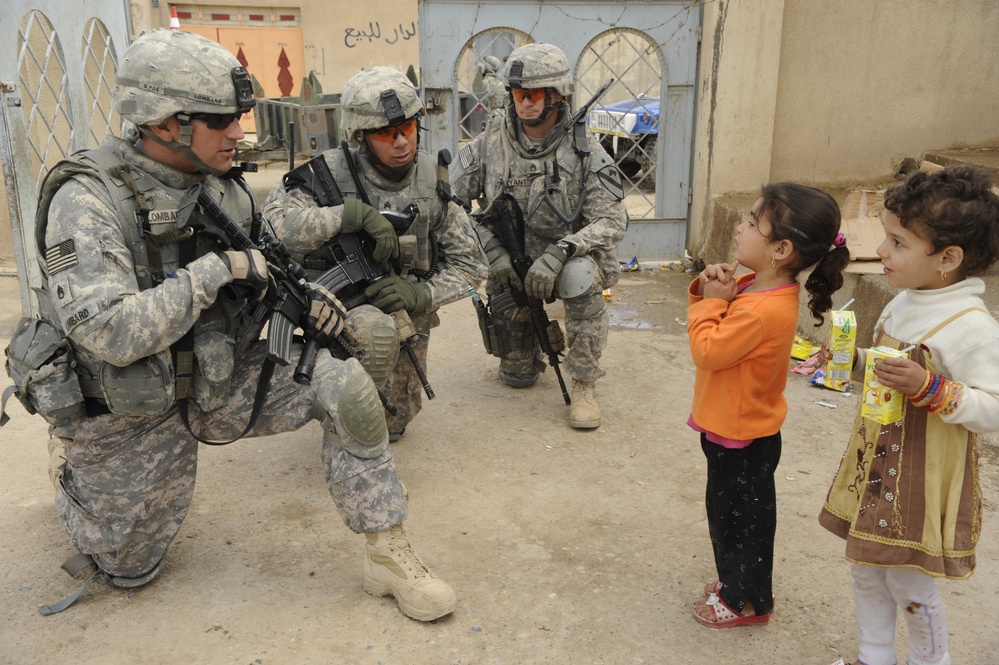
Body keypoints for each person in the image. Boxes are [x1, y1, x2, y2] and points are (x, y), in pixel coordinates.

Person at [4, 29, 455, 621]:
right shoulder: (88, 199)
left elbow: (266, 267)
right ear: (165, 123)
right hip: (129, 404)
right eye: (220, 120)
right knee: (130, 570)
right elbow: (109, 333)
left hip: (220, 373)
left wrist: (307, 297)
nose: (239, 132)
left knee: (347, 387)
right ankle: (72, 472)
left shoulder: (220, 185)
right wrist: (214, 272)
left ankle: (387, 552)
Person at [820, 165, 999, 665]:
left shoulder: (972, 328)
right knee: (865, 566)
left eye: (897, 242)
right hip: (878, 468)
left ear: (948, 258)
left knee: (907, 583)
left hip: (924, 479)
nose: (880, 251)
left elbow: (995, 409)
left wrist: (934, 389)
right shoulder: (904, 303)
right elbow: (884, 373)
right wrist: (849, 360)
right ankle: (873, 656)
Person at [263, 65, 487, 442]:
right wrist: (347, 216)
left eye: (408, 129)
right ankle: (336, 404)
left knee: (397, 418)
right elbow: (274, 226)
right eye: (386, 132)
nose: (401, 142)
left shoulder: (431, 181)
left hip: (404, 315)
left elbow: (471, 264)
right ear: (360, 136)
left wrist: (422, 294)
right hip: (338, 308)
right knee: (359, 398)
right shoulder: (326, 176)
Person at [686, 183, 849, 628]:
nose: (739, 227)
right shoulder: (762, 291)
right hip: (735, 430)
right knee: (730, 515)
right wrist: (713, 289)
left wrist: (708, 305)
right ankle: (736, 585)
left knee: (742, 524)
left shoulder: (761, 311)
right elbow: (727, 312)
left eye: (752, 221)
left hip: (741, 437)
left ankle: (746, 603)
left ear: (780, 249)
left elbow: (708, 351)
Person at [450, 42, 628, 429]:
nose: (524, 103)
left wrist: (564, 249)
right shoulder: (491, 142)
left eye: (533, 94)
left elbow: (612, 222)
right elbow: (450, 206)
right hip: (510, 267)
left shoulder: (584, 151)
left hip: (563, 264)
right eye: (517, 94)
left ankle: (583, 383)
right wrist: (489, 248)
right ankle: (535, 337)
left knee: (581, 276)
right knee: (519, 377)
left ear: (557, 95)